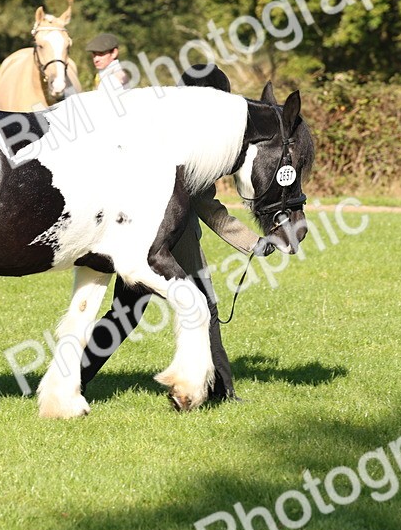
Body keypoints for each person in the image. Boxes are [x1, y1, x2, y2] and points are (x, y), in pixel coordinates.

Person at [79, 64, 270, 401]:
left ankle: (74, 377)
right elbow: (204, 203)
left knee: (126, 312)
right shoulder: (195, 140)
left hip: (132, 234)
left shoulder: (160, 122)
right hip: (171, 238)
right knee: (205, 306)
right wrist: (252, 242)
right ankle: (220, 391)